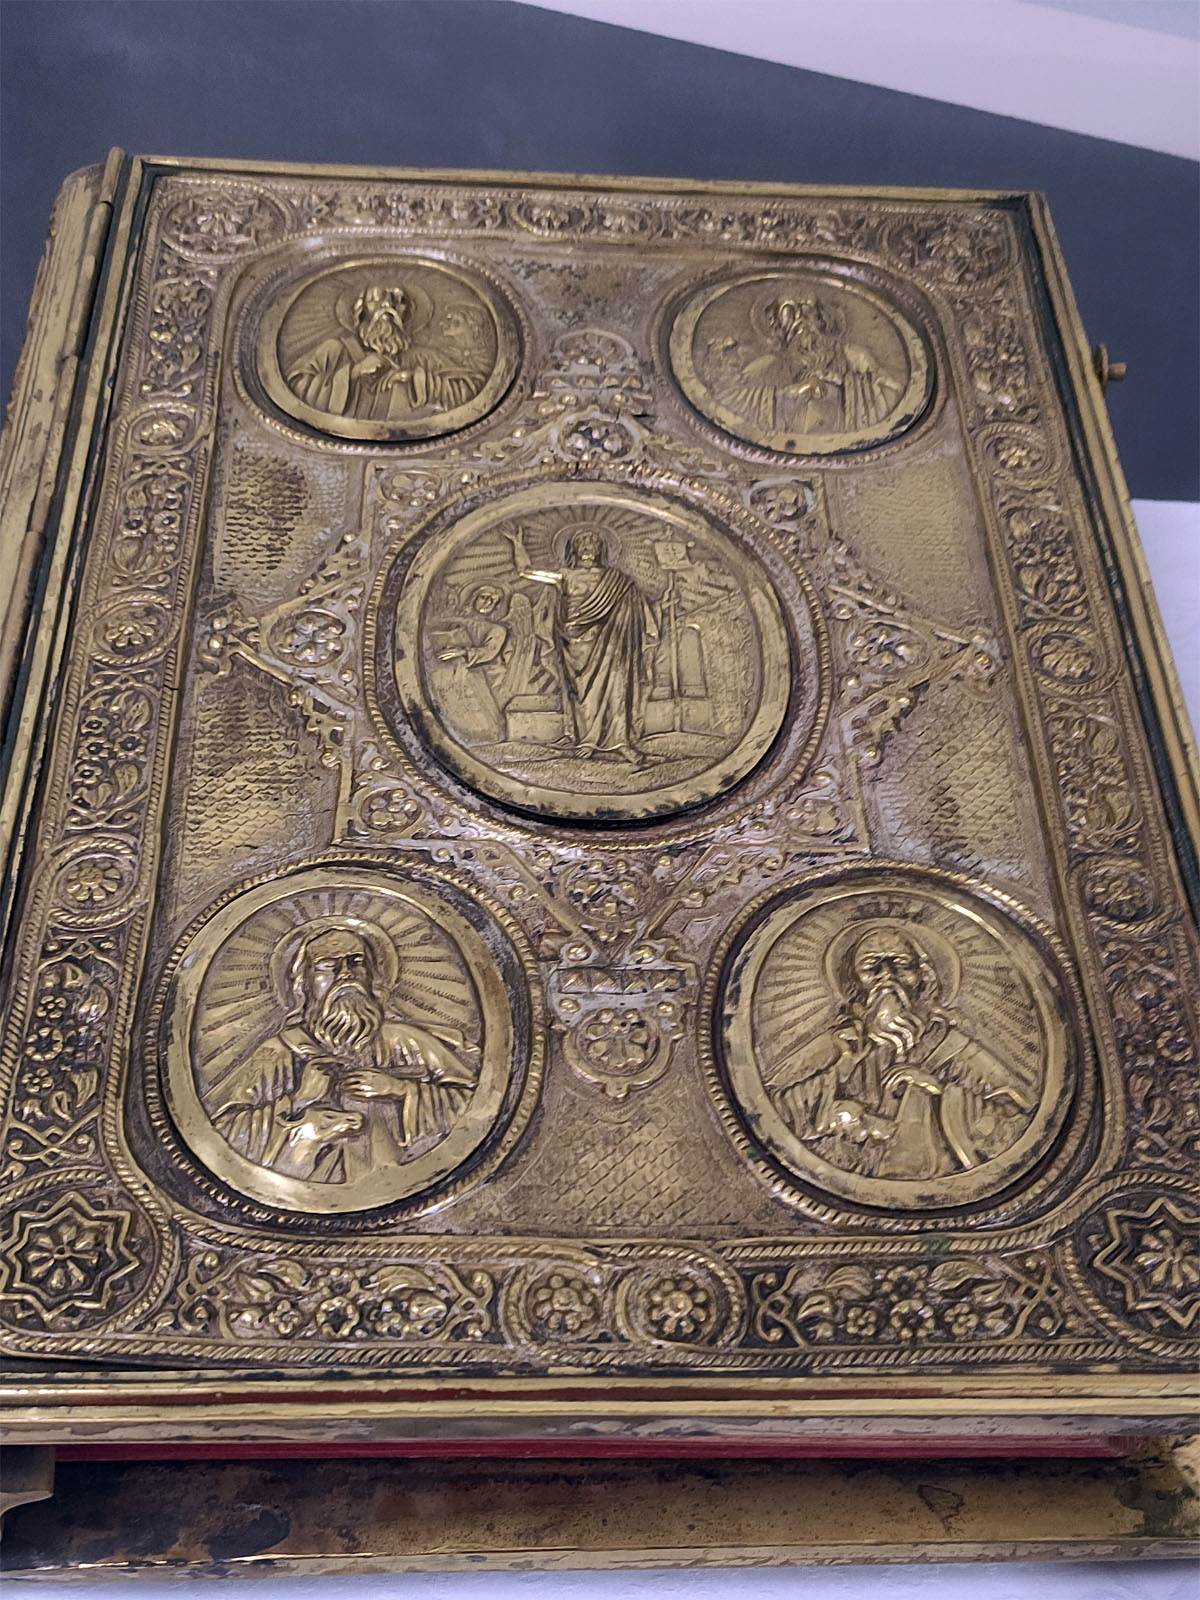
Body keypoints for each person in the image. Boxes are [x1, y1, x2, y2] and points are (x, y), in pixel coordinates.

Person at [207, 922, 477, 1184]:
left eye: (356, 962)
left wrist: (401, 1090)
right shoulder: (279, 1052)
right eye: (328, 965)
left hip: (406, 1185)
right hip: (306, 1197)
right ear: (303, 984)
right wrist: (299, 1102)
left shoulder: (406, 1042)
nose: (346, 974)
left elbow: (474, 1105)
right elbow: (220, 1135)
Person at [768, 924, 1035, 1180]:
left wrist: (937, 1089)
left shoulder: (951, 1046)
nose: (887, 975)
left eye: (901, 964)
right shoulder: (839, 1043)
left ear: (924, 977)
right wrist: (840, 1074)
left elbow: (1018, 1119)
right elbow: (773, 1111)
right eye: (871, 966)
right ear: (852, 983)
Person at [507, 525, 659, 761]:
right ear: (573, 550)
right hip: (575, 642)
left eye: (593, 543)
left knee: (618, 687)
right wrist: (518, 545)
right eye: (582, 543)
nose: (588, 547)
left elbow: (637, 607)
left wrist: (657, 608)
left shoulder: (618, 580)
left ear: (601, 549)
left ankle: (621, 741)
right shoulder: (565, 575)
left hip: (612, 638)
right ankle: (586, 739)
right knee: (579, 692)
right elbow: (525, 572)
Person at [287, 283, 485, 423]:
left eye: (397, 302)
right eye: (375, 301)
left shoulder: (422, 358)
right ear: (361, 312)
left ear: (408, 314)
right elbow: (296, 386)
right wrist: (354, 372)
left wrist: (413, 379)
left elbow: (469, 389)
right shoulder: (336, 350)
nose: (386, 307)